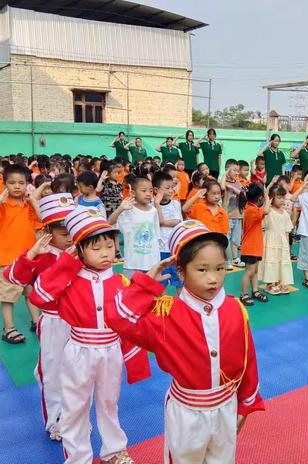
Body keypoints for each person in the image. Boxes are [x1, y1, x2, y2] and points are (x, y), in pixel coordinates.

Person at [105, 220, 264, 463]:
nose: (213, 278)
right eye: (202, 270)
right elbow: (117, 317)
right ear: (181, 272)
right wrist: (147, 284)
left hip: (226, 407)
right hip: (186, 413)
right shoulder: (164, 315)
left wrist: (246, 404)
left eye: (220, 268)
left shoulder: (235, 308)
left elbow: (248, 358)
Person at [28, 207, 151, 464]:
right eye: (96, 248)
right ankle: (78, 458)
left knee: (109, 403)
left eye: (110, 245)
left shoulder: (120, 282)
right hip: (78, 351)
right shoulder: (68, 280)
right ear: (79, 249)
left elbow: (129, 323)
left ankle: (114, 451)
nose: (106, 253)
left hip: (110, 351)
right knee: (75, 408)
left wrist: (134, 359)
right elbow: (39, 296)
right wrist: (65, 266)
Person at [3, 193, 75, 440]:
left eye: (72, 230)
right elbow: (13, 278)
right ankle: (55, 420)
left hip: (80, 324)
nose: (69, 238)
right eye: (63, 232)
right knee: (53, 372)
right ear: (48, 231)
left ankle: (73, 416)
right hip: (54, 321)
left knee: (78, 373)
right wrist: (31, 254)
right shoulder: (42, 253)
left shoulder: (82, 251)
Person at [0, 164, 42, 344]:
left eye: (21, 183)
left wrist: (33, 201)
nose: (17, 186)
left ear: (27, 185)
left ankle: (36, 321)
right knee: (8, 296)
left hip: (29, 258)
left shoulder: (28, 206)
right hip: (8, 259)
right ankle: (8, 328)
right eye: (12, 183)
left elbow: (42, 220)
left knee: (30, 293)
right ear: (5, 184)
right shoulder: (3, 206)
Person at [108, 177, 161, 279]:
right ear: (133, 193)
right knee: (132, 292)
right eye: (143, 191)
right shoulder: (127, 210)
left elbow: (156, 236)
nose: (148, 194)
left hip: (152, 263)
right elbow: (110, 222)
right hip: (133, 264)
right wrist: (121, 209)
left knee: (151, 293)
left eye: (150, 191)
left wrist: (157, 262)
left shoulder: (153, 211)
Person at [239, 182, 272, 306]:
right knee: (249, 271)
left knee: (255, 270)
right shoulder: (252, 210)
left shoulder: (252, 208)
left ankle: (255, 291)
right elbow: (267, 211)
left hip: (255, 246)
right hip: (250, 247)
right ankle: (244, 294)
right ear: (260, 198)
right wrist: (268, 199)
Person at [259, 185, 294, 295]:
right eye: (279, 197)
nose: (282, 200)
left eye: (283, 197)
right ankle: (270, 284)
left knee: (280, 262)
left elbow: (287, 231)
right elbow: (264, 213)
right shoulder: (268, 212)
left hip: (282, 241)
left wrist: (288, 245)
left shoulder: (285, 214)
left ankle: (279, 282)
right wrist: (267, 199)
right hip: (270, 240)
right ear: (272, 198)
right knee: (271, 260)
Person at [152, 171, 183, 294]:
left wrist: (163, 222)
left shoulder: (175, 204)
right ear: (156, 190)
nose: (171, 190)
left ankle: (183, 306)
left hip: (174, 249)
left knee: (179, 280)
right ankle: (160, 308)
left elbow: (177, 222)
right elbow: (160, 221)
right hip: (159, 250)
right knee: (160, 282)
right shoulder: (151, 205)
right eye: (167, 188)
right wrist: (157, 204)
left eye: (172, 187)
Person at [220, 160, 245, 270]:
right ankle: (226, 261)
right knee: (226, 239)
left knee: (235, 239)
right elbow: (221, 187)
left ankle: (235, 258)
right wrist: (225, 174)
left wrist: (233, 188)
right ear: (227, 170)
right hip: (227, 216)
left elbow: (242, 194)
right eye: (234, 170)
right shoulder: (224, 182)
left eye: (237, 171)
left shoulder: (237, 183)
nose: (236, 173)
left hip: (238, 215)